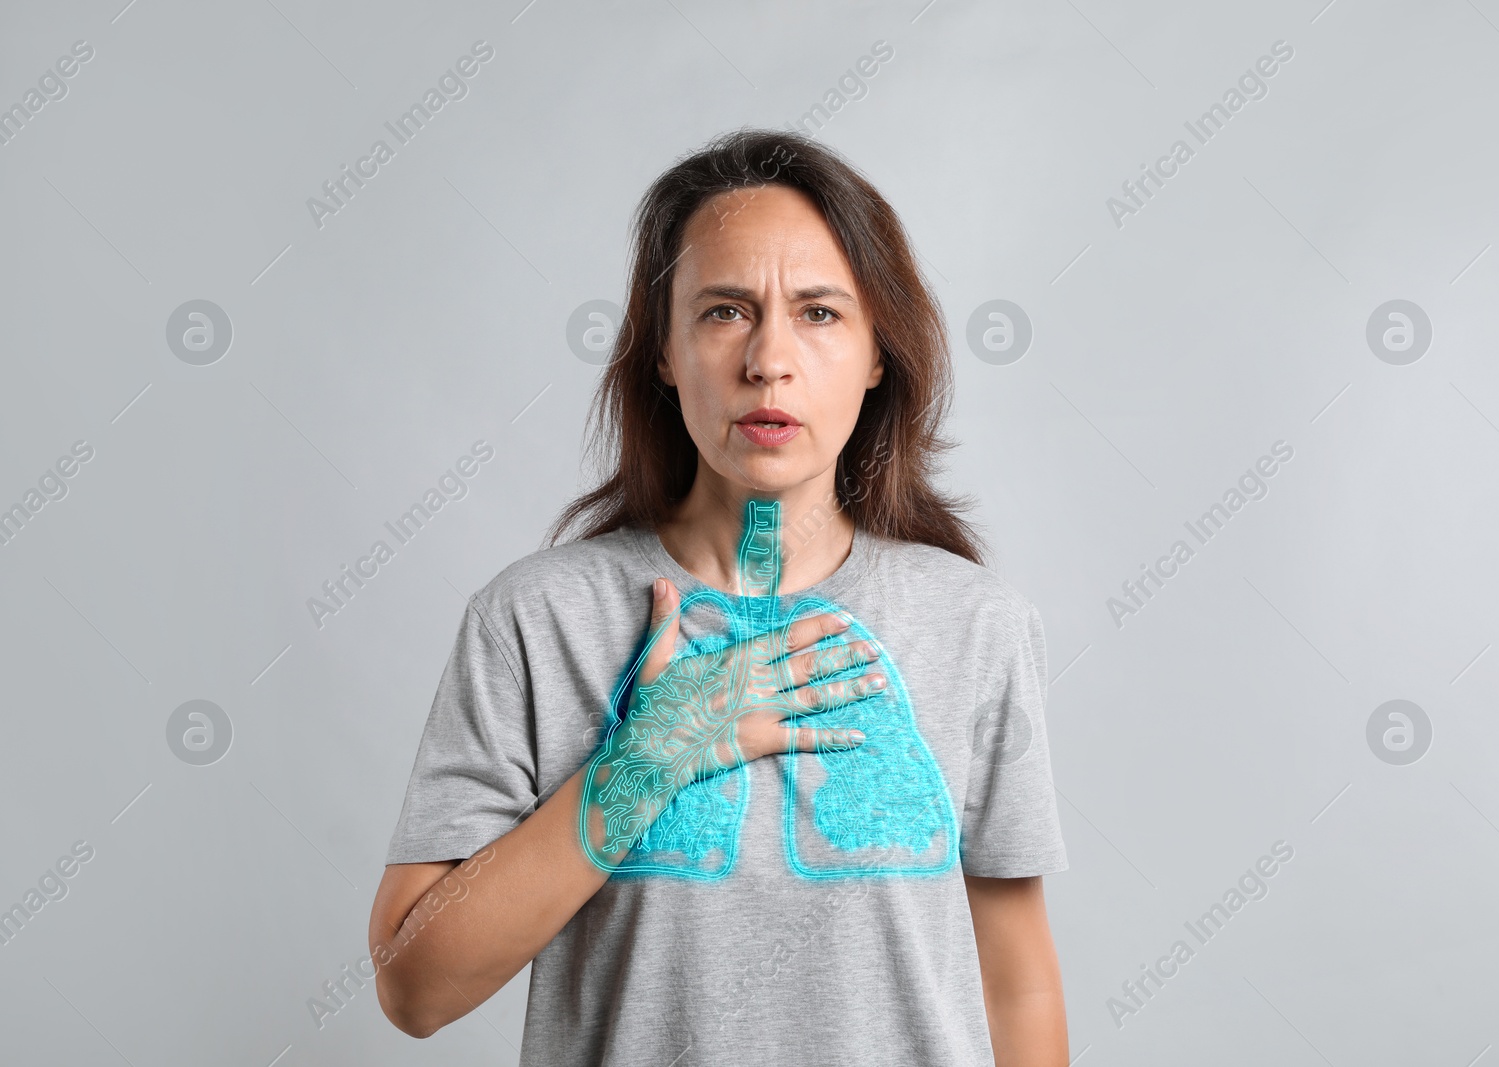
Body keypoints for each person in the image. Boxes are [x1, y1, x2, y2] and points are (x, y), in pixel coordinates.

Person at [368, 128, 1071, 1066]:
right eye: (725, 311)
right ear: (662, 351)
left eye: (820, 313)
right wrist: (641, 767)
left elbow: (1015, 981)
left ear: (877, 354)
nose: (769, 359)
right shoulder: (535, 622)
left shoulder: (978, 625)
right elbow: (413, 986)